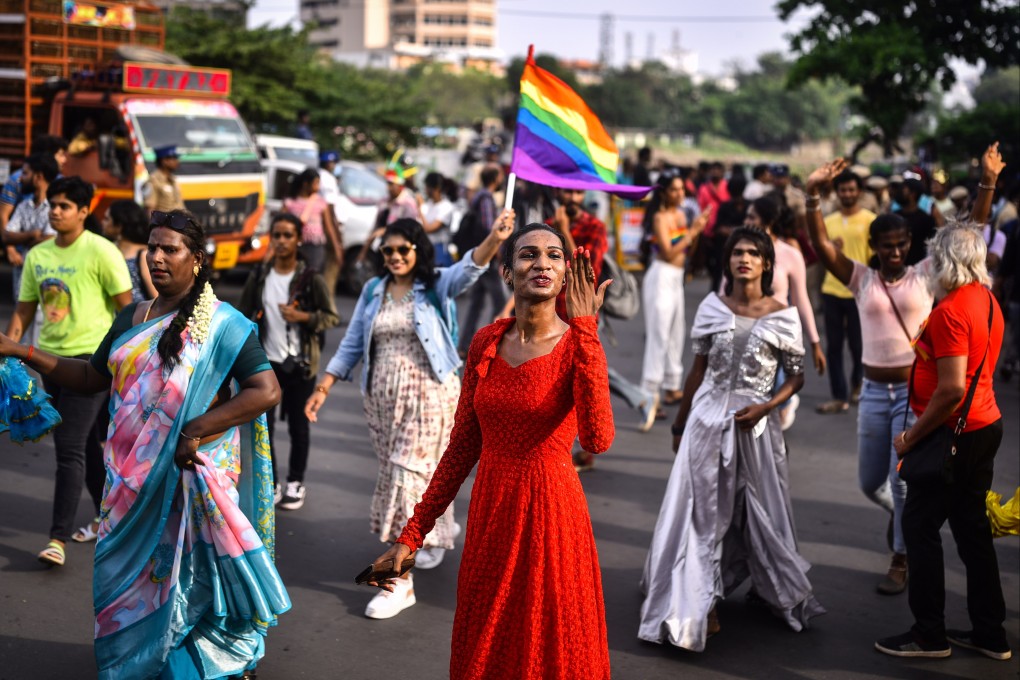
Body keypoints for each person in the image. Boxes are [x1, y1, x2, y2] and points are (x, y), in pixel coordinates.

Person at [0, 208, 289, 678]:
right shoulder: (134, 316)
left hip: (189, 473)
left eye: (169, 249)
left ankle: (201, 662)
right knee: (128, 576)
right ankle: (136, 661)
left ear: (195, 259)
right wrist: (22, 350)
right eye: (152, 247)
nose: (156, 257)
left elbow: (266, 390)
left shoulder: (222, 323)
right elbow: (92, 377)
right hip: (130, 479)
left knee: (192, 575)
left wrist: (192, 430)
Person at [362, 225, 615, 679]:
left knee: (545, 642)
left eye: (555, 256)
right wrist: (412, 534)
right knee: (488, 639)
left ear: (565, 274)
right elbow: (461, 448)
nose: (542, 263)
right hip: (491, 514)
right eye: (529, 255)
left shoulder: (579, 343)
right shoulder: (486, 342)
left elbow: (598, 439)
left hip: (552, 518)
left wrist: (587, 329)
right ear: (506, 271)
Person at [305, 211, 515, 619]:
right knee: (415, 476)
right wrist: (323, 387)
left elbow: (469, 269)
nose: (395, 256)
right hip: (383, 405)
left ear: (417, 249)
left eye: (403, 249)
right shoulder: (372, 290)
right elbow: (351, 344)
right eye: (388, 251)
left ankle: (400, 582)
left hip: (431, 397)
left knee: (406, 477)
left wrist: (493, 237)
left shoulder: (435, 282)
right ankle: (433, 530)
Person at [640, 226, 823, 651]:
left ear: (765, 263)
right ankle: (701, 603)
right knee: (704, 513)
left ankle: (766, 585)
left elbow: (796, 376)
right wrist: (678, 423)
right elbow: (697, 371)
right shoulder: (711, 306)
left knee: (759, 508)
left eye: (752, 253)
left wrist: (767, 406)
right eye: (737, 252)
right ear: (728, 261)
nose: (744, 259)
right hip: (706, 422)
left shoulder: (784, 314)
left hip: (757, 427)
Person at [875, 144, 1010, 662]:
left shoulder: (954, 310)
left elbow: (951, 388)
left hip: (954, 431)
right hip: (984, 426)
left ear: (946, 262)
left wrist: (912, 435)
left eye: (933, 256)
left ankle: (929, 634)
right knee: (972, 533)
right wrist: (986, 184)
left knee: (919, 528)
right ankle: (990, 633)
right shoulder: (986, 299)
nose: (926, 263)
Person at [806, 158, 936, 595]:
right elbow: (823, 247)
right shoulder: (862, 279)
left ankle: (900, 556)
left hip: (912, 394)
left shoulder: (924, 276)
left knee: (899, 480)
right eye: (887, 246)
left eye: (901, 245)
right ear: (875, 246)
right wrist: (812, 195)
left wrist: (988, 186)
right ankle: (903, 519)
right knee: (870, 482)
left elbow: (966, 237)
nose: (895, 252)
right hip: (875, 393)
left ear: (909, 243)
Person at [3, 176, 134, 566]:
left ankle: (56, 539)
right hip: (49, 363)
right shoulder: (38, 255)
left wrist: (125, 363)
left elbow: (127, 311)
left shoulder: (102, 252)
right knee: (88, 448)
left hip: (91, 365)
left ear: (83, 211)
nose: (55, 212)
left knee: (69, 447)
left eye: (64, 206)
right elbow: (25, 310)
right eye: (53, 205)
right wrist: (8, 353)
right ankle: (111, 515)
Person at [238, 213, 340, 510]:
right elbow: (243, 315)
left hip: (301, 364)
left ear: (298, 239)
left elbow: (331, 316)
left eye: (287, 235)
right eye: (277, 235)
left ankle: (296, 482)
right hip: (266, 363)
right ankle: (270, 483)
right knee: (264, 427)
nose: (281, 241)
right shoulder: (260, 275)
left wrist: (303, 317)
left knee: (298, 426)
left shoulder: (311, 278)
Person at [745, 196, 826, 430]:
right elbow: (725, 291)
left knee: (777, 382)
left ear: (767, 221)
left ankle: (785, 403)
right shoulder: (741, 250)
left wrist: (815, 343)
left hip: (777, 333)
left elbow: (801, 300)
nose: (746, 220)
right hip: (745, 329)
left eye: (752, 216)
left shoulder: (790, 254)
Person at [641, 171, 709, 414]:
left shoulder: (681, 214)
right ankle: (649, 396)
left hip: (676, 278)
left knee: (676, 334)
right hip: (660, 277)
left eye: (682, 188)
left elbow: (688, 249)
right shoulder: (659, 218)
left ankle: (671, 386)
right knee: (658, 337)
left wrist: (697, 230)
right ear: (664, 193)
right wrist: (692, 232)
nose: (680, 193)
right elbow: (668, 253)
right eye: (674, 189)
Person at [817, 169, 874, 414]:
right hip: (831, 290)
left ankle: (857, 386)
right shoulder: (827, 222)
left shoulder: (871, 220)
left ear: (859, 192)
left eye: (852, 189)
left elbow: (875, 260)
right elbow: (821, 256)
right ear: (837, 193)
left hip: (859, 292)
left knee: (859, 345)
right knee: (834, 346)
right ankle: (839, 396)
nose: (848, 194)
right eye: (843, 190)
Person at [457, 165, 506, 356]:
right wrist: (499, 250)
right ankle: (499, 345)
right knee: (501, 304)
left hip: (479, 257)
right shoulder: (486, 199)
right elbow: (489, 229)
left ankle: (464, 345)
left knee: (476, 302)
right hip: (488, 258)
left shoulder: (478, 196)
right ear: (494, 179)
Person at [284, 167, 343, 273]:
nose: (318, 187)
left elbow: (329, 227)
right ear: (306, 184)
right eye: (316, 183)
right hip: (296, 245)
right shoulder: (290, 203)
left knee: (313, 274)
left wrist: (336, 249)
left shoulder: (320, 202)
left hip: (316, 246)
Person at [101, 199, 157, 302]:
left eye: (107, 219)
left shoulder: (143, 254)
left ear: (119, 226)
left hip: (137, 315)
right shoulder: (106, 251)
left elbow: (156, 296)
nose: (102, 222)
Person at [894, 178, 938, 266]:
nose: (899, 192)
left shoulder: (926, 220)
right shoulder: (893, 217)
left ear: (913, 194)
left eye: (903, 189)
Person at [422, 171, 455, 266]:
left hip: (439, 250)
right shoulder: (428, 205)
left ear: (435, 188)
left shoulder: (446, 207)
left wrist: (420, 208)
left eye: (427, 187)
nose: (425, 190)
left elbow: (428, 228)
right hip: (427, 248)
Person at [142, 145, 186, 213]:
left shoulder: (173, 180)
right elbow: (150, 210)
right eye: (174, 158)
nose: (177, 161)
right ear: (164, 161)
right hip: (164, 223)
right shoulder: (153, 181)